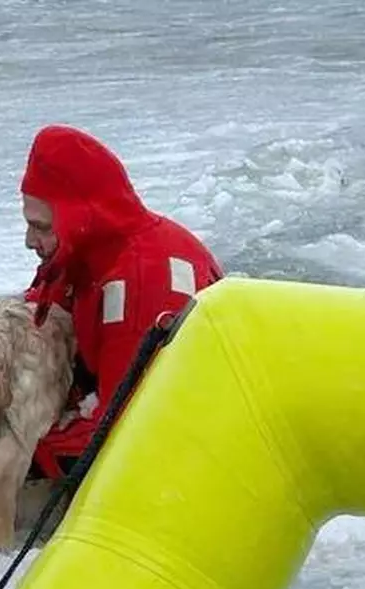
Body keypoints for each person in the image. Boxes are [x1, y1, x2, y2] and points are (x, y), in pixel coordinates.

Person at [18, 124, 226, 481]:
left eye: (41, 227)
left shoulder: (143, 283)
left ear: (78, 217)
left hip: (187, 454)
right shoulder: (83, 255)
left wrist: (19, 445)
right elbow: (33, 320)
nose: (28, 241)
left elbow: (123, 432)